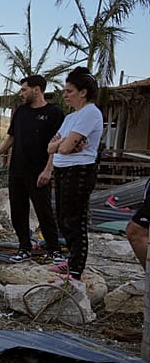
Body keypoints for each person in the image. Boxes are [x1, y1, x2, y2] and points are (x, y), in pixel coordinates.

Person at [0, 75, 65, 263]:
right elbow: (11, 137)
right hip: (17, 170)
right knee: (18, 211)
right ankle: (24, 248)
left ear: (37, 90)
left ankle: (54, 250)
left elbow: (58, 144)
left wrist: (48, 170)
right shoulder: (20, 112)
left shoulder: (54, 113)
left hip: (39, 171)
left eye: (24, 89)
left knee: (44, 211)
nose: (22, 93)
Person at [47, 67, 103, 281]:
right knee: (62, 216)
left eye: (70, 91)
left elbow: (64, 147)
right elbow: (51, 147)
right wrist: (64, 143)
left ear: (83, 92)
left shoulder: (90, 113)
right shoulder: (71, 117)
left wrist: (64, 143)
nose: (66, 95)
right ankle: (70, 259)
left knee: (74, 218)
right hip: (62, 168)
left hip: (79, 169)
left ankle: (77, 267)